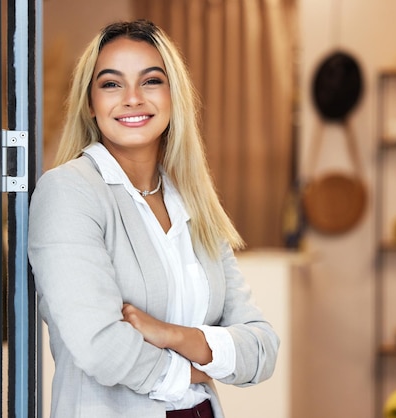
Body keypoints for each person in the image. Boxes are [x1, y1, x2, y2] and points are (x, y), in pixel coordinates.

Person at [27, 19, 280, 418]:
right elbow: (101, 347)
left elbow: (262, 348)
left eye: (150, 81)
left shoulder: (193, 202)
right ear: (90, 104)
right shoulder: (68, 192)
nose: (132, 98)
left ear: (173, 95)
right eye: (111, 84)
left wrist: (170, 335)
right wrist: (202, 365)